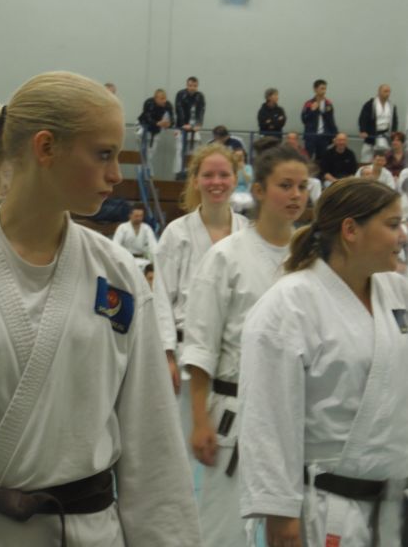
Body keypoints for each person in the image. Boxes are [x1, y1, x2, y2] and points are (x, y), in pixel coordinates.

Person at [0, 71, 201, 547]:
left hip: (85, 532)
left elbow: (152, 441)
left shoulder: (118, 273)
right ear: (46, 148)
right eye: (104, 154)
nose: (116, 175)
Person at [239, 177, 408, 547]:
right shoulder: (289, 305)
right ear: (351, 230)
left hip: (393, 507)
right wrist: (279, 513)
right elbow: (267, 417)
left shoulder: (398, 292)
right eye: (393, 224)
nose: (403, 235)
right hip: (323, 509)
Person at [181, 146, 310, 547]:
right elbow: (201, 345)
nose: (296, 195)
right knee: (221, 532)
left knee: (290, 532)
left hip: (293, 414)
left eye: (303, 186)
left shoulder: (311, 259)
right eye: (285, 185)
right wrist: (199, 419)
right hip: (232, 411)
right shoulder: (226, 256)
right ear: (258, 190)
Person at [154, 143, 247, 397]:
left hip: (235, 358)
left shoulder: (248, 233)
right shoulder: (176, 233)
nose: (216, 182)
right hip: (184, 354)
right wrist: (166, 355)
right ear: (195, 181)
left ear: (235, 180)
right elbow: (161, 298)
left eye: (224, 174)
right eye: (208, 175)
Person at [174, 76, 206, 177]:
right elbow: (179, 109)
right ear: (187, 85)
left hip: (194, 127)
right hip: (181, 127)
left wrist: (199, 123)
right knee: (180, 150)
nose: (192, 88)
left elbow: (201, 110)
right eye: (190, 85)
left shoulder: (200, 96)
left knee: (193, 151)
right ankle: (179, 172)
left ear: (197, 86)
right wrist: (183, 124)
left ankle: (191, 172)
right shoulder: (181, 94)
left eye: (195, 86)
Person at [137, 89, 174, 174]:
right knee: (143, 152)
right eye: (162, 98)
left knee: (151, 153)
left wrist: (169, 124)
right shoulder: (149, 103)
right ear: (156, 98)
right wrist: (157, 123)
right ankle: (143, 171)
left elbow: (172, 119)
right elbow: (147, 117)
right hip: (143, 126)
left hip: (156, 130)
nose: (164, 101)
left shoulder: (168, 105)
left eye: (165, 98)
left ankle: (147, 171)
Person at [359, 84, 398, 163]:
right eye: (385, 91)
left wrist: (394, 130)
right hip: (371, 134)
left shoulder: (391, 105)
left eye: (389, 92)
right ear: (379, 92)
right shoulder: (370, 104)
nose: (388, 94)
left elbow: (394, 119)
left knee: (385, 157)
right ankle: (365, 167)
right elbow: (363, 118)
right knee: (366, 156)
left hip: (385, 135)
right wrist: (363, 130)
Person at [301, 79, 338, 161]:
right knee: (307, 158)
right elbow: (304, 119)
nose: (324, 91)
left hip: (324, 137)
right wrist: (312, 111)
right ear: (315, 89)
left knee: (322, 159)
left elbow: (331, 121)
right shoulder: (309, 103)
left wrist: (335, 135)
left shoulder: (328, 104)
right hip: (311, 136)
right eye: (322, 88)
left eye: (325, 88)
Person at [229, 147, 254, 214]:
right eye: (237, 156)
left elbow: (249, 180)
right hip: (233, 191)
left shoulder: (248, 168)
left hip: (244, 192)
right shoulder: (231, 168)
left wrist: (242, 169)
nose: (239, 158)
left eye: (241, 156)